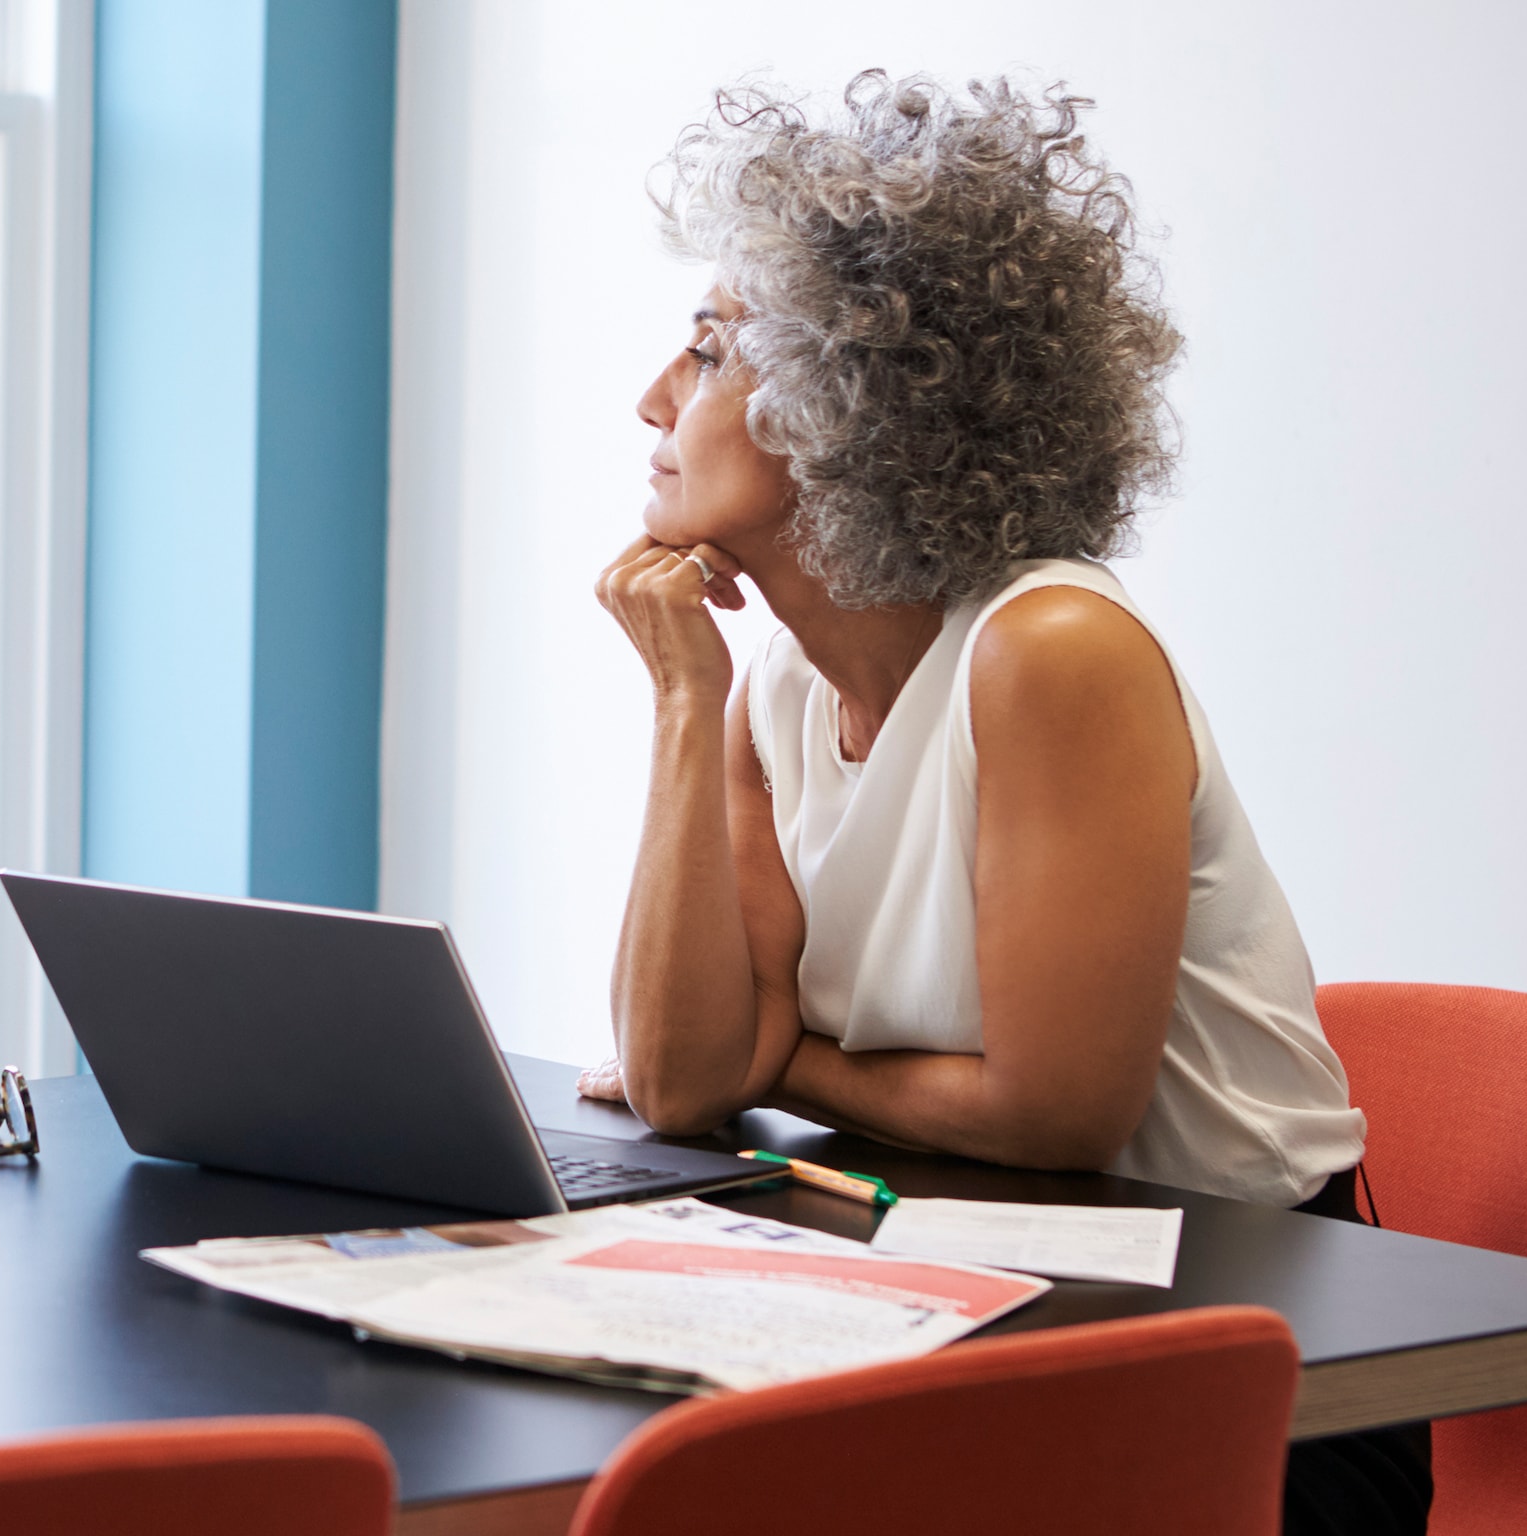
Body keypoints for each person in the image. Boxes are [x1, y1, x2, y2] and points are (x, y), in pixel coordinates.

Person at [577, 72, 1430, 1535]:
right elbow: (676, 1077)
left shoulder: (1051, 654)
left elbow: (1053, 1115)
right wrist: (680, 698)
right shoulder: (771, 687)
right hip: (978, 1287)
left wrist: (786, 1064)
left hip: (1249, 1361)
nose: (656, 395)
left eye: (712, 350)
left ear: (855, 400)